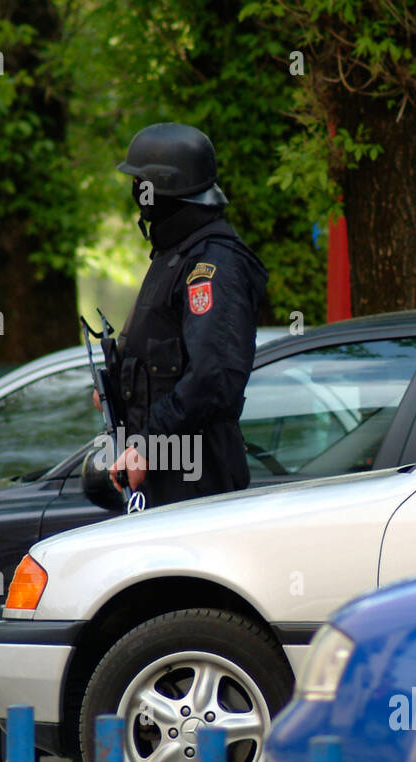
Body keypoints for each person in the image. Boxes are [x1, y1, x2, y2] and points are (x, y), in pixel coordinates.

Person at [104, 122, 268, 507]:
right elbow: (162, 361)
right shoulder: (176, 255)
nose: (136, 194)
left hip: (197, 481)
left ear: (161, 190)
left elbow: (213, 379)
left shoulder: (213, 263)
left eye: (141, 183)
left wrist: (148, 445)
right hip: (164, 478)